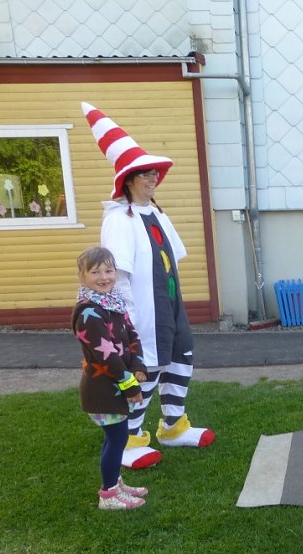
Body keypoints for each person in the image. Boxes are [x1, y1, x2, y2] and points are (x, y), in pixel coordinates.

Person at [82, 102, 216, 469]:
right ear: (127, 178)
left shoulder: (155, 212)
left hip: (170, 304)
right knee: (148, 367)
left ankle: (173, 425)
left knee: (181, 355)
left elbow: (170, 261)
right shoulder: (119, 219)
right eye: (145, 173)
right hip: (142, 308)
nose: (153, 178)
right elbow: (116, 274)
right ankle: (130, 439)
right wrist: (128, 318)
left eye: (154, 172)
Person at [72, 247, 149, 510]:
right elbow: (107, 358)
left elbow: (132, 336)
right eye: (95, 272)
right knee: (117, 440)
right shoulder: (88, 313)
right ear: (82, 277)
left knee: (116, 438)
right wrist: (130, 386)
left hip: (118, 384)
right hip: (104, 390)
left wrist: (138, 364)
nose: (104, 277)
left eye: (109, 270)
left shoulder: (113, 303)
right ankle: (109, 495)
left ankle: (115, 482)